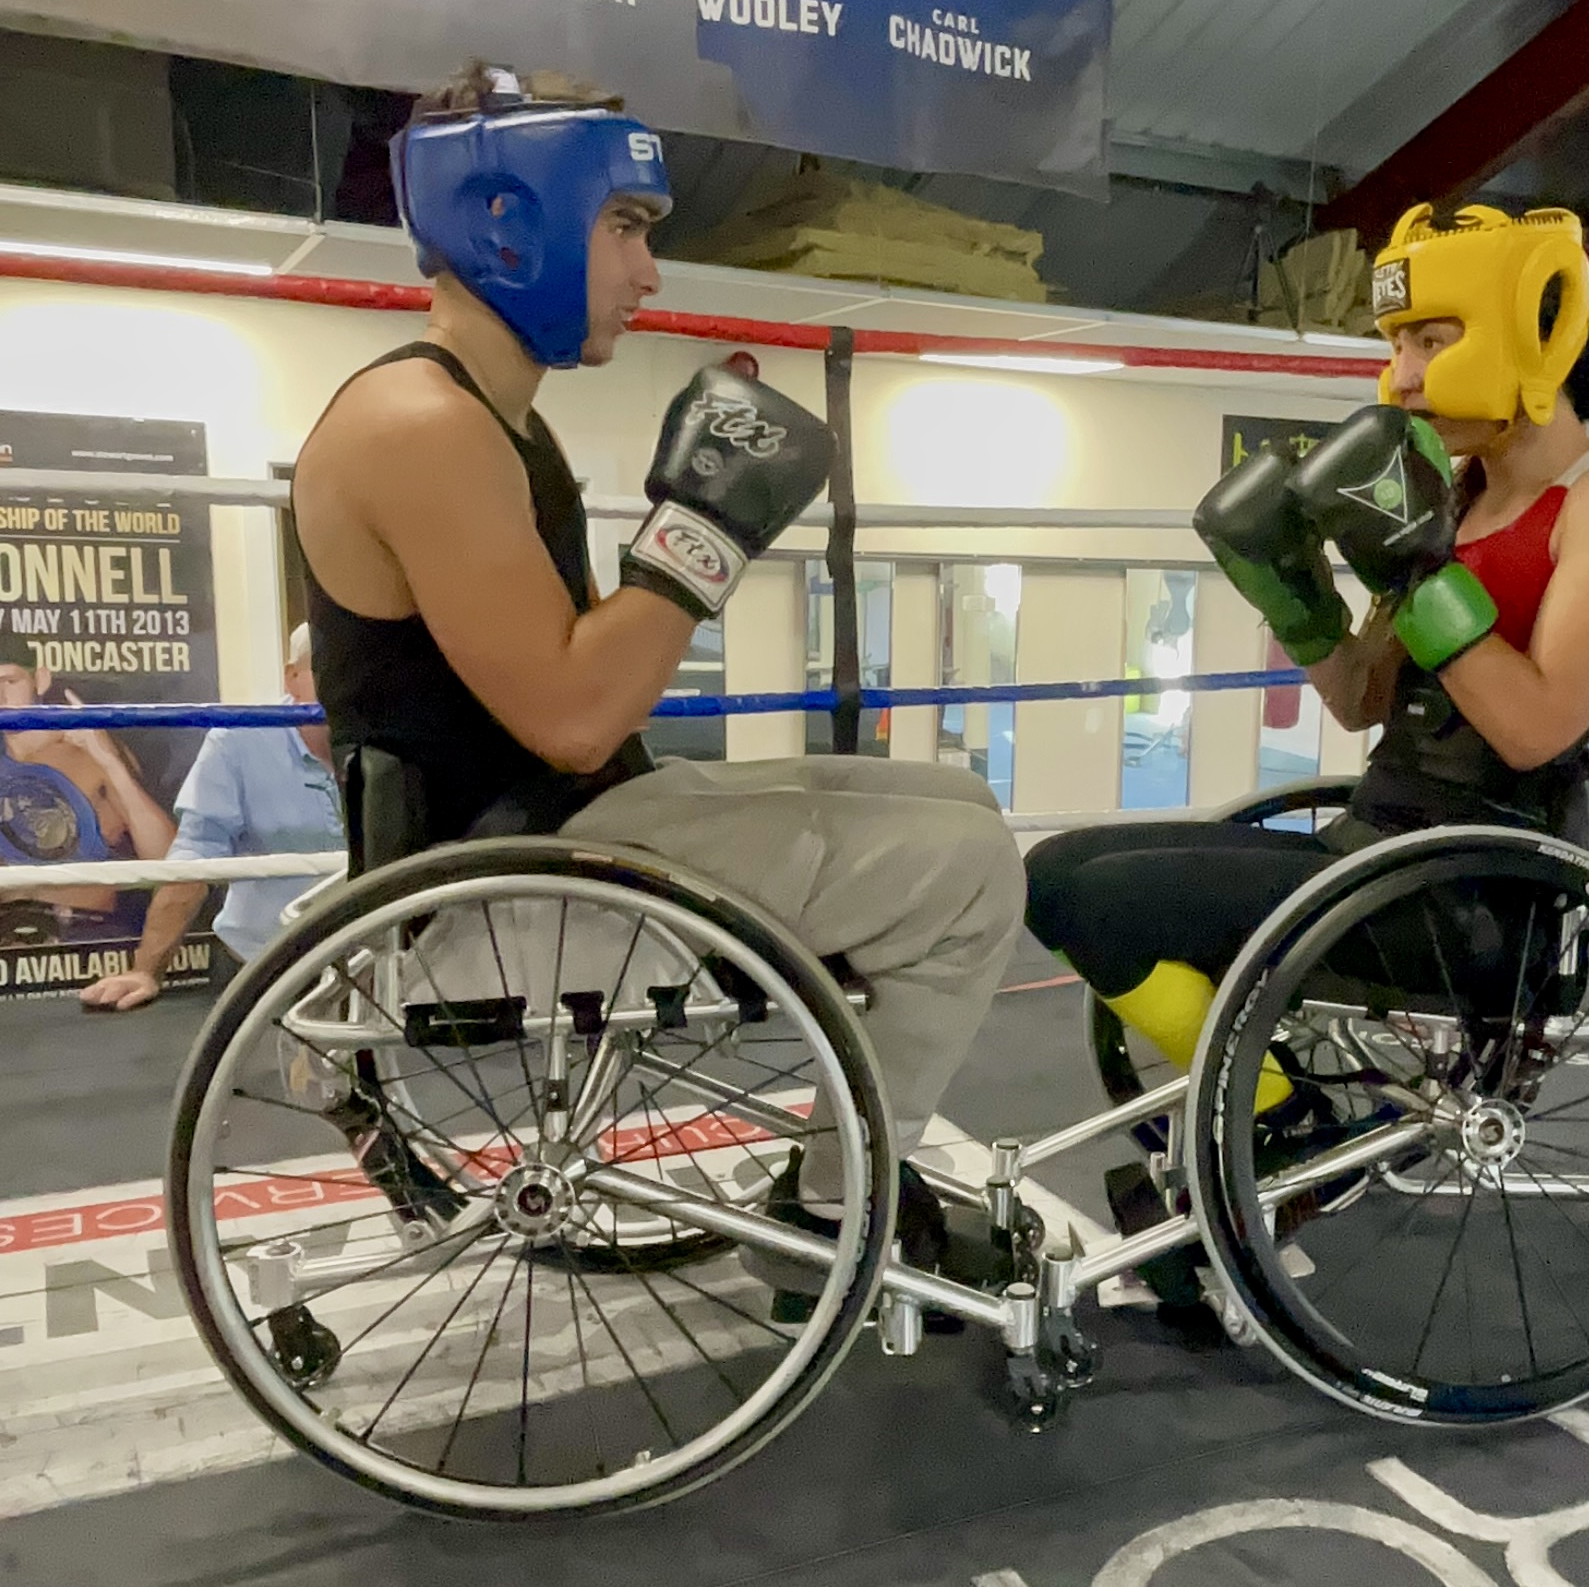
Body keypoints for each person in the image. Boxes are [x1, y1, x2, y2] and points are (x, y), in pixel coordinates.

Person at [289, 63, 1025, 1288]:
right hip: (498, 880)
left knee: (956, 803)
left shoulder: (496, 419)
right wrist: (700, 535)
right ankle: (837, 1210)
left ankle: (837, 1148)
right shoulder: (423, 427)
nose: (647, 271)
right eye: (624, 227)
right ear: (509, 219)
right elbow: (577, 714)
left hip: (546, 829)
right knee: (968, 873)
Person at [1025, 203, 1589, 1094]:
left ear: (1532, 339)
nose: (1403, 380)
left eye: (1433, 342)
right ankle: (1262, 1106)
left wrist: (1418, 576)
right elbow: (1362, 700)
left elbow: (1537, 731)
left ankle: (1267, 1112)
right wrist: (1293, 593)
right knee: (1055, 872)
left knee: (1106, 903)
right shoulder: (1450, 494)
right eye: (1398, 346)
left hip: (1475, 894)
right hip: (1375, 843)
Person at [78, 625, 343, 1010]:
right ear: (293, 677)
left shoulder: (392, 742)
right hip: (261, 966)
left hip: (373, 965)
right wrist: (146, 970)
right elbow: (196, 853)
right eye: (329, 668)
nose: (347, 685)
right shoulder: (240, 739)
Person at [0, 632, 178, 945]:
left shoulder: (87, 748)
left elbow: (169, 861)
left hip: (88, 936)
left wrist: (109, 763)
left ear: (39, 679)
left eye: (10, 681)